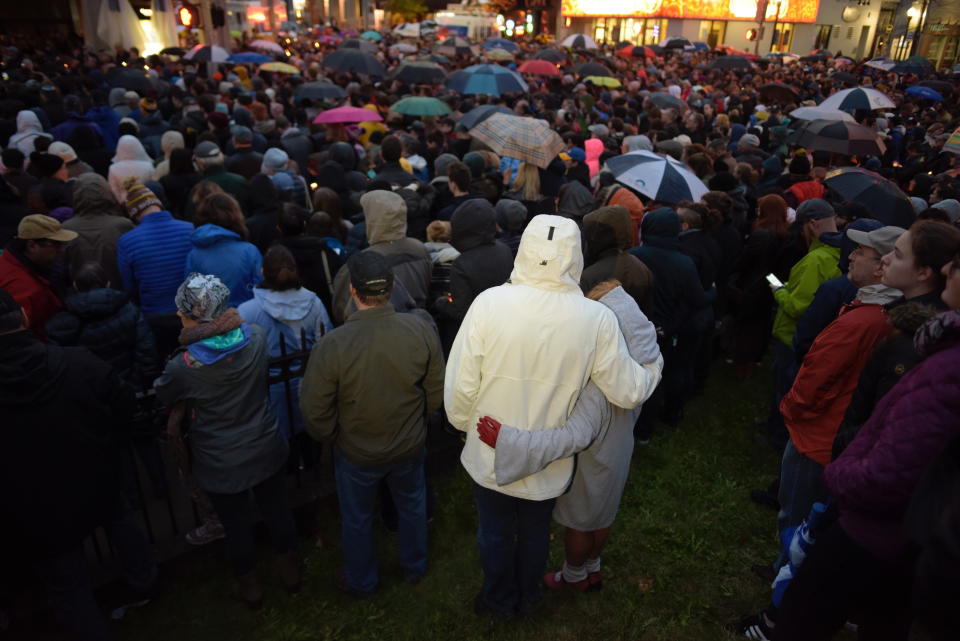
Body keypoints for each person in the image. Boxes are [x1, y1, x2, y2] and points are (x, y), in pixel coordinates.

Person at [445, 214, 662, 618]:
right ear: (574, 256)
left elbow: (460, 383)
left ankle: (499, 599)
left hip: (492, 445)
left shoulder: (489, 303)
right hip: (548, 455)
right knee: (531, 531)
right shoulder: (593, 319)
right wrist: (651, 366)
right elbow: (628, 390)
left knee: (495, 530)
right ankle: (526, 596)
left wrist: (463, 425)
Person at [770, 239, 960, 641]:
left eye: (898, 253)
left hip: (846, 472)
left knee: (801, 530)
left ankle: (777, 601)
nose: (853, 255)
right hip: (867, 481)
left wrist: (841, 465)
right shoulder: (899, 324)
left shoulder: (894, 333)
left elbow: (891, 438)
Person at [474, 280, 662, 591]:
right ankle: (592, 567)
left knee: (581, 522)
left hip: (592, 463)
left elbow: (572, 436)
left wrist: (509, 441)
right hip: (617, 453)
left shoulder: (599, 386)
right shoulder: (640, 365)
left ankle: (574, 576)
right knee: (602, 515)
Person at [0, 287, 154, 641]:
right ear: (24, 316)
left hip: (35, 505)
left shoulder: (75, 361)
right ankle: (144, 583)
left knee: (67, 584)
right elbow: (125, 405)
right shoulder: (78, 363)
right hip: (96, 475)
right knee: (122, 528)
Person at [300, 252, 444, 597]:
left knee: (358, 518)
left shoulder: (332, 345)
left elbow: (314, 412)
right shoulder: (419, 329)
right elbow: (436, 393)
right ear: (392, 287)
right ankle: (415, 567)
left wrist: (337, 437)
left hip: (357, 452)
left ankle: (362, 581)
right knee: (411, 506)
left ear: (352, 290)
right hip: (406, 445)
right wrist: (419, 425)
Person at [154, 274, 299, 609]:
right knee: (277, 511)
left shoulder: (184, 366)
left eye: (184, 310)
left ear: (198, 315)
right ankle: (290, 573)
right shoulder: (257, 337)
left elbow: (164, 393)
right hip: (264, 442)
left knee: (235, 526)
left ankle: (250, 589)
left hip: (220, 459)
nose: (179, 315)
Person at [237, 245, 331, 440]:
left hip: (269, 394)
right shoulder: (314, 303)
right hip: (310, 387)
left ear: (263, 272)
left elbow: (241, 353)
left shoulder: (247, 311)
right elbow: (327, 343)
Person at [46, 261, 159, 389]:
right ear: (108, 283)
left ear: (75, 285)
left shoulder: (61, 321)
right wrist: (135, 385)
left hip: (89, 394)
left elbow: (57, 363)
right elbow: (146, 351)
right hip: (127, 386)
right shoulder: (130, 310)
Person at [116, 181, 194, 357]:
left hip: (154, 315)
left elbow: (129, 286)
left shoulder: (127, 241)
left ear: (133, 213)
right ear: (158, 204)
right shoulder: (189, 229)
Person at [330, 189, 432, 324]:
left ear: (372, 219)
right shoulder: (420, 248)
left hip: (375, 332)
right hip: (417, 326)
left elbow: (340, 309)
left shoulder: (362, 263)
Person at [433, 198, 514, 352]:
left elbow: (461, 311)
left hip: (477, 335)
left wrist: (441, 302)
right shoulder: (504, 249)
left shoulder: (462, 264)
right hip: (504, 325)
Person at [0, 214, 76, 340]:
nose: (61, 250)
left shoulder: (9, 262)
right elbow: (20, 336)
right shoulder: (25, 288)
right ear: (32, 246)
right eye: (56, 244)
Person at [185, 193, 263, 307]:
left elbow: (192, 296)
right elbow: (260, 291)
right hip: (242, 319)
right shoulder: (250, 251)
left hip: (211, 321)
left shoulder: (194, 255)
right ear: (235, 215)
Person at [62, 173, 133, 288]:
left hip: (78, 298)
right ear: (107, 193)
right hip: (119, 296)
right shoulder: (122, 225)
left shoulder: (66, 228)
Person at [108, 135, 155, 204]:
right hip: (146, 202)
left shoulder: (113, 168)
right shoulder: (148, 166)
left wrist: (122, 203)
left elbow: (114, 191)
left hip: (125, 204)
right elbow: (154, 185)